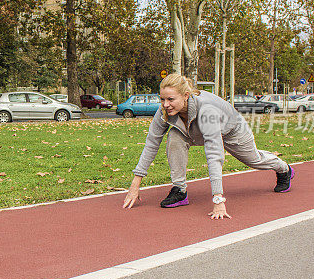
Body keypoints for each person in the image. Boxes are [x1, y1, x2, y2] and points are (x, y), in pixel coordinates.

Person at [122, 74, 293, 219]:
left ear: (186, 95)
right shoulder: (164, 111)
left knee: (254, 160)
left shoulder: (207, 110)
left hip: (232, 130)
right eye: (163, 99)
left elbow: (214, 154)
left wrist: (218, 199)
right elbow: (152, 143)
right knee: (174, 136)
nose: (165, 104)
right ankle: (179, 190)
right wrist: (135, 184)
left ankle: (284, 169)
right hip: (193, 130)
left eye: (171, 99)